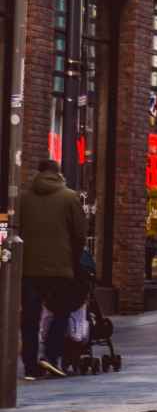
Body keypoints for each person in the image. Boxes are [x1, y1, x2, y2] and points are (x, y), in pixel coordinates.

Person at [16, 159, 87, 380]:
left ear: (38, 173)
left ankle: (29, 366)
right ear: (59, 174)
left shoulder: (21, 198)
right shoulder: (69, 197)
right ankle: (51, 356)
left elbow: (7, 224)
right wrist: (74, 260)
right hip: (60, 269)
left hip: (28, 269)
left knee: (30, 317)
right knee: (62, 312)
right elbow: (80, 234)